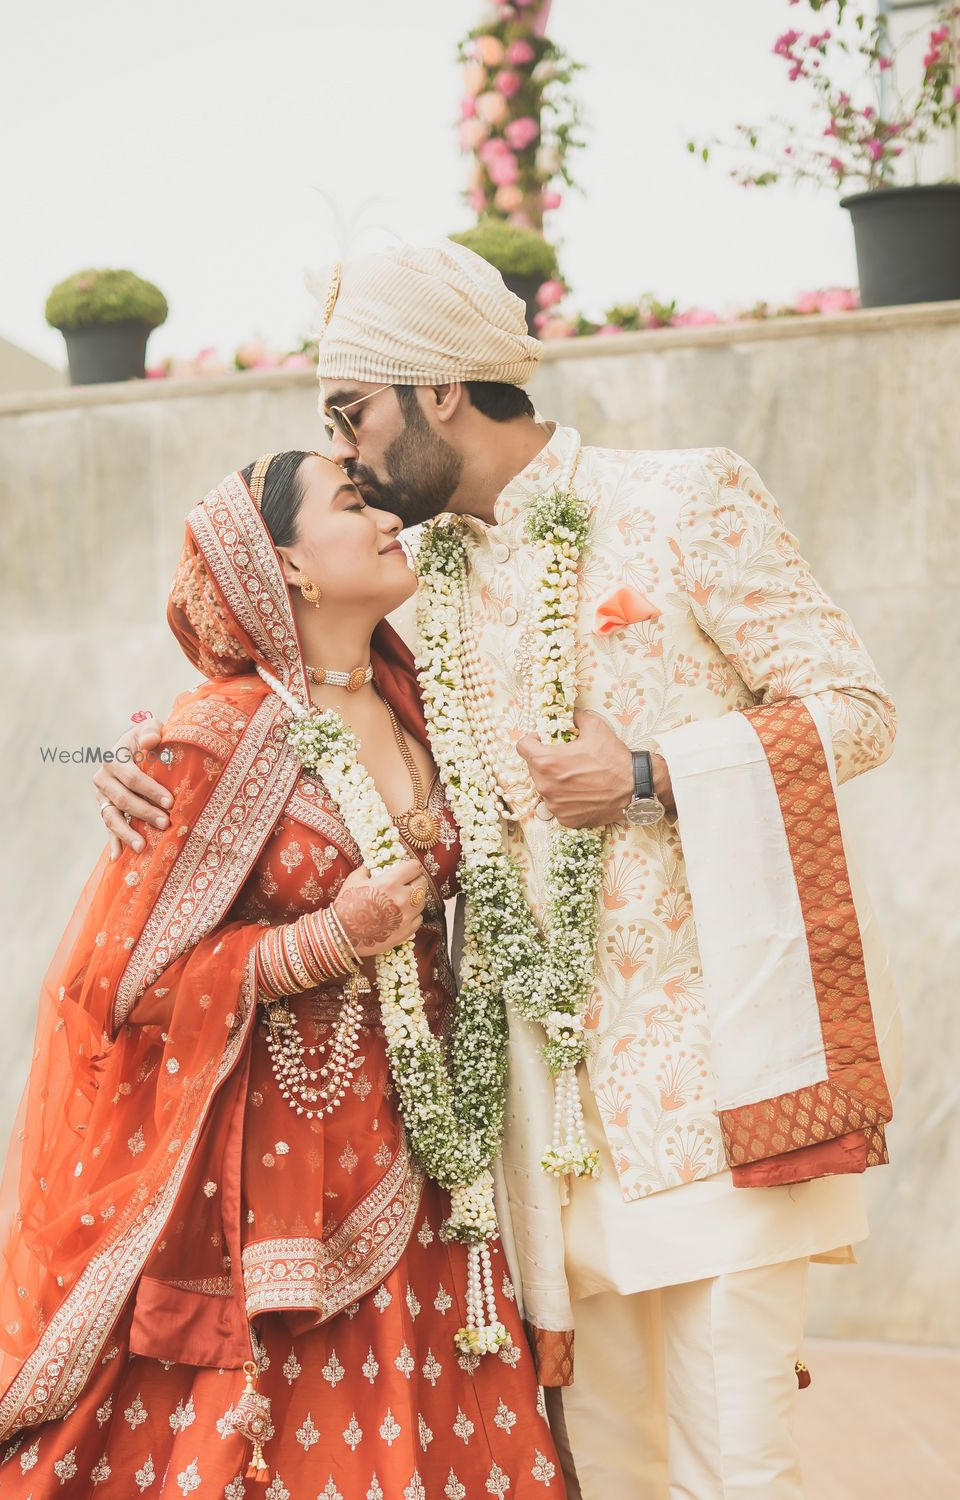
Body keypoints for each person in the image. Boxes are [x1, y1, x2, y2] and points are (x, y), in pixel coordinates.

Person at [94, 241, 902, 1500]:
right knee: (616, 1468)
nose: (349, 458)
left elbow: (856, 708)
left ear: (440, 391)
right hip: (539, 1117)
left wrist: (646, 772)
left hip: (710, 1090)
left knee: (736, 1462)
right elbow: (277, 681)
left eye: (353, 416)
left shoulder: (683, 500)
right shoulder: (422, 591)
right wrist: (113, 754)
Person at [0, 449, 564, 1499]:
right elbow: (121, 981)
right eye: (351, 501)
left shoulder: (427, 703)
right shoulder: (215, 732)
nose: (385, 515)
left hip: (428, 1158)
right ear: (288, 564)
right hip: (266, 1179)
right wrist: (324, 941)